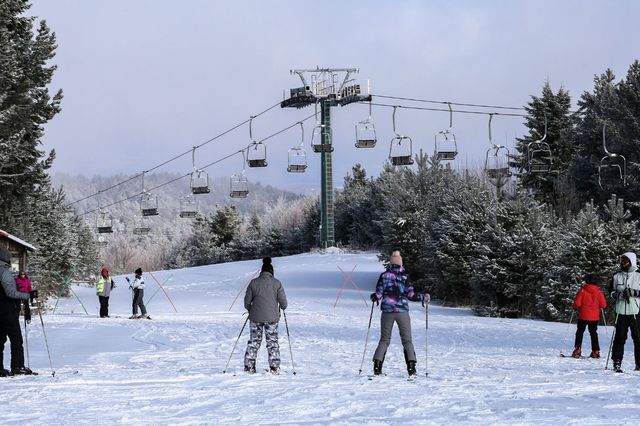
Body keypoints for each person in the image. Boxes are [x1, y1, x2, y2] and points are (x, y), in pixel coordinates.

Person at [370, 250, 425, 378]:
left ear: (390, 263)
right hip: (402, 311)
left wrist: (375, 297)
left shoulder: (384, 276)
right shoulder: (405, 276)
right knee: (407, 340)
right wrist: (423, 297)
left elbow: (378, 293)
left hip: (387, 311)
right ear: (400, 263)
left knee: (384, 340)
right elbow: (411, 295)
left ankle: (377, 367)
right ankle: (411, 368)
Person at [243, 257, 287, 374]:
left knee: (254, 341)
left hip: (255, 317)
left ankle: (249, 367)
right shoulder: (277, 283)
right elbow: (284, 303)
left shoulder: (253, 283)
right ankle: (274, 367)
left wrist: (251, 310)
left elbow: (247, 301)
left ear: (261, 271)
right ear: (272, 272)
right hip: (272, 318)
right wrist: (282, 307)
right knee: (272, 342)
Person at [0, 247, 36, 375]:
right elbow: (10, 293)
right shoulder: (4, 271)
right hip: (7, 310)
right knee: (16, 339)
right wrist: (27, 295)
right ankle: (18, 366)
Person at [608, 251, 640, 372]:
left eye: (625, 260)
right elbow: (610, 291)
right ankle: (616, 362)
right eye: (622, 260)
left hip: (635, 311)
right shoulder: (617, 276)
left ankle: (639, 364)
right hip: (620, 311)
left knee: (638, 337)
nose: (623, 263)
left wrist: (634, 292)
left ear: (631, 261)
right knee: (620, 337)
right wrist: (617, 295)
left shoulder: (638, 275)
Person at [571, 274, 606, 358]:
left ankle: (577, 349)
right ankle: (595, 351)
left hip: (583, 315)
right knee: (593, 333)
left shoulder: (582, 290)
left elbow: (577, 303)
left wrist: (574, 307)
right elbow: (603, 305)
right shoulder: (599, 292)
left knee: (580, 332)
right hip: (594, 317)